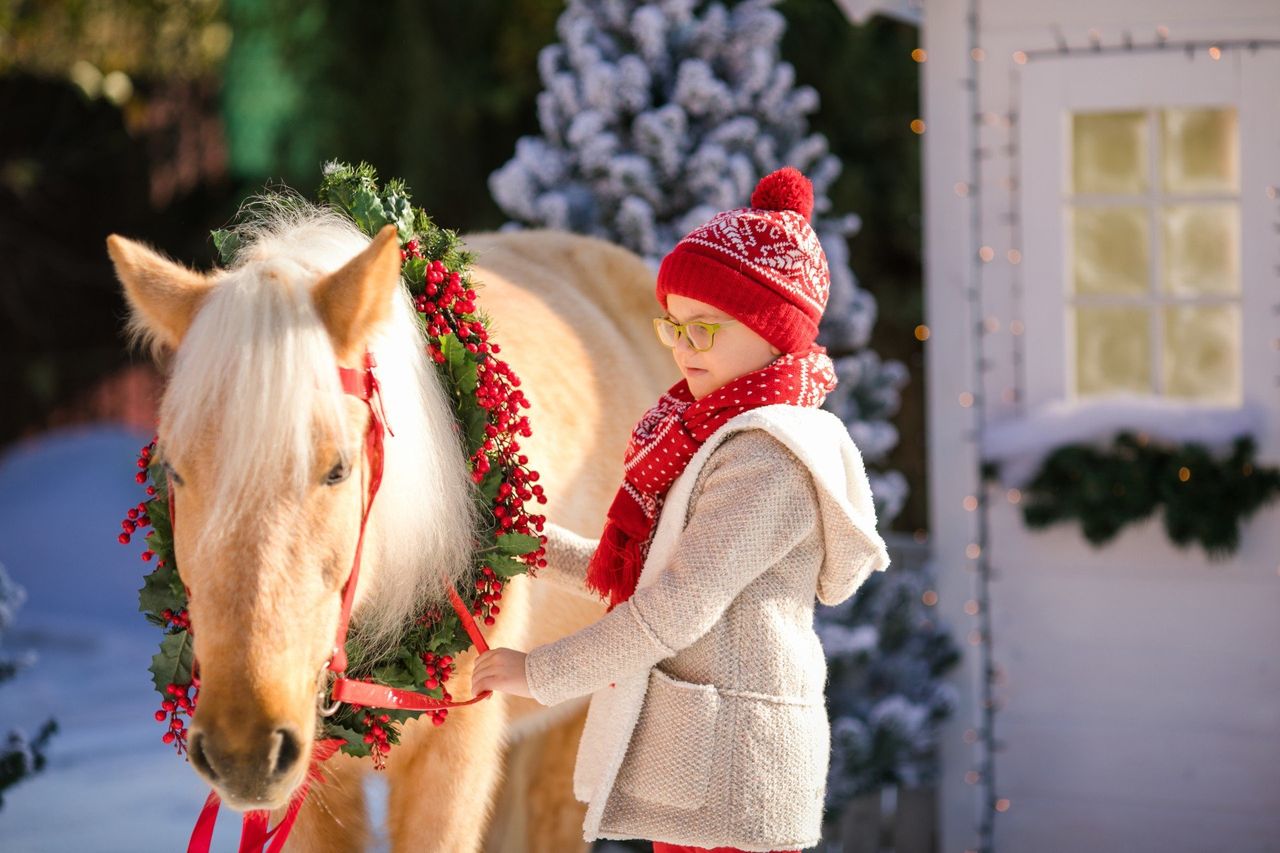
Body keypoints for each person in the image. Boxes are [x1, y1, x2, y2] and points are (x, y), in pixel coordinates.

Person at [471, 166, 890, 853]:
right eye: (675, 326)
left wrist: (535, 671)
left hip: (736, 774)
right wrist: (530, 544)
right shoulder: (709, 434)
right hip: (706, 768)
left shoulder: (770, 459)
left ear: (771, 329)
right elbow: (647, 568)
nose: (682, 348)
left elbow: (673, 607)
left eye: (706, 329)